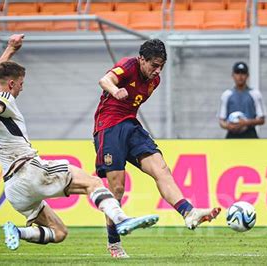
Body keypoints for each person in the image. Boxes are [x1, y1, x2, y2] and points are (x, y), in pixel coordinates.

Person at [0, 34, 159, 251]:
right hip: (29, 170)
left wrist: (11, 48)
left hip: (13, 189)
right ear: (10, 83)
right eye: (20, 84)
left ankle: (17, 231)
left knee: (59, 233)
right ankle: (121, 220)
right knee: (94, 184)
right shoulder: (4, 97)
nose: (21, 88)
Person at [93, 39, 221, 258]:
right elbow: (104, 80)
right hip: (109, 126)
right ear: (142, 60)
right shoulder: (130, 65)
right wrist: (115, 90)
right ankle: (114, 243)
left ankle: (188, 212)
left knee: (161, 169)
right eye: (154, 65)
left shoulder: (155, 80)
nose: (158, 70)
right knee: (117, 189)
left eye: (161, 65)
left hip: (131, 126)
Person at [218, 62, 266, 139]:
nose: (240, 76)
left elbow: (261, 119)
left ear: (247, 76)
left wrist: (245, 123)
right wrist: (228, 126)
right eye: (237, 73)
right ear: (233, 75)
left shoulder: (255, 94)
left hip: (250, 134)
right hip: (232, 135)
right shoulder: (226, 94)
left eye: (243, 73)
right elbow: (221, 120)